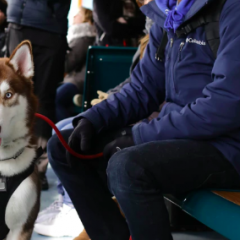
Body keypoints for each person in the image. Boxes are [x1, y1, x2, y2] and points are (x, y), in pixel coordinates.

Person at [48, 0, 240, 239]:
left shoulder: (231, 8)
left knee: (127, 167)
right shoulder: (169, 17)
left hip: (228, 145)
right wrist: (93, 118)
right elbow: (143, 88)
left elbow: (225, 105)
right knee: (63, 147)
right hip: (185, 135)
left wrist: (139, 135)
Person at [34, 7, 155, 238]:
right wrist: (101, 107)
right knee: (62, 135)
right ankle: (69, 200)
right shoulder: (151, 42)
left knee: (88, 143)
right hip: (138, 112)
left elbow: (156, 94)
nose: (146, 7)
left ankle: (74, 206)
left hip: (153, 121)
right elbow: (136, 85)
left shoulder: (170, 39)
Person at [6, 0, 70, 189]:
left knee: (43, 99)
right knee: (15, 96)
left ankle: (38, 169)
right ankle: (11, 163)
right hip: (20, 23)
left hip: (51, 29)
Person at [56, 7, 96, 122]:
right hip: (75, 80)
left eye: (78, 14)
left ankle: (67, 133)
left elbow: (67, 64)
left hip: (77, 82)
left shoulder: (84, 38)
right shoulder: (83, 37)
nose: (74, 16)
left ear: (86, 19)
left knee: (56, 99)